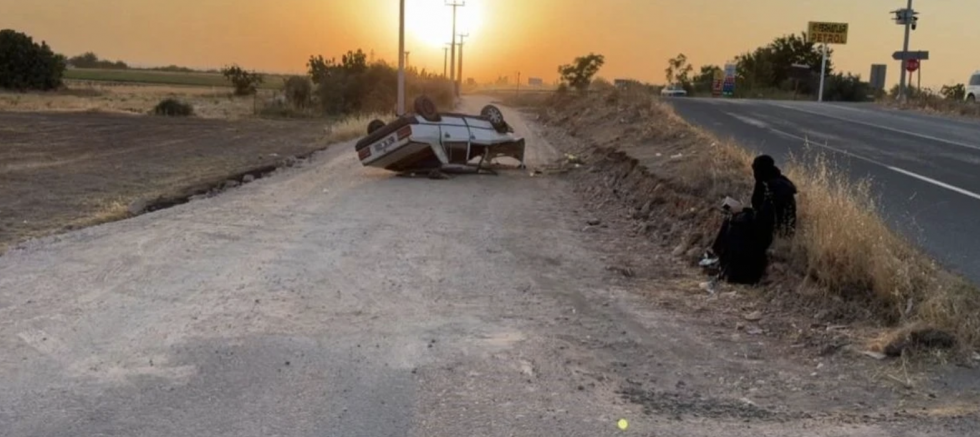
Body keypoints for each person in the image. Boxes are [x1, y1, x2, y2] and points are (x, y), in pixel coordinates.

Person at [704, 155, 798, 285]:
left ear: (762, 171)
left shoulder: (772, 188)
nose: (754, 174)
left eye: (756, 171)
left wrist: (744, 213)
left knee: (735, 225)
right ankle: (719, 258)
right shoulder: (772, 182)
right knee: (733, 218)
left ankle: (728, 268)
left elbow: (765, 219)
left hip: (773, 232)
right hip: (769, 226)